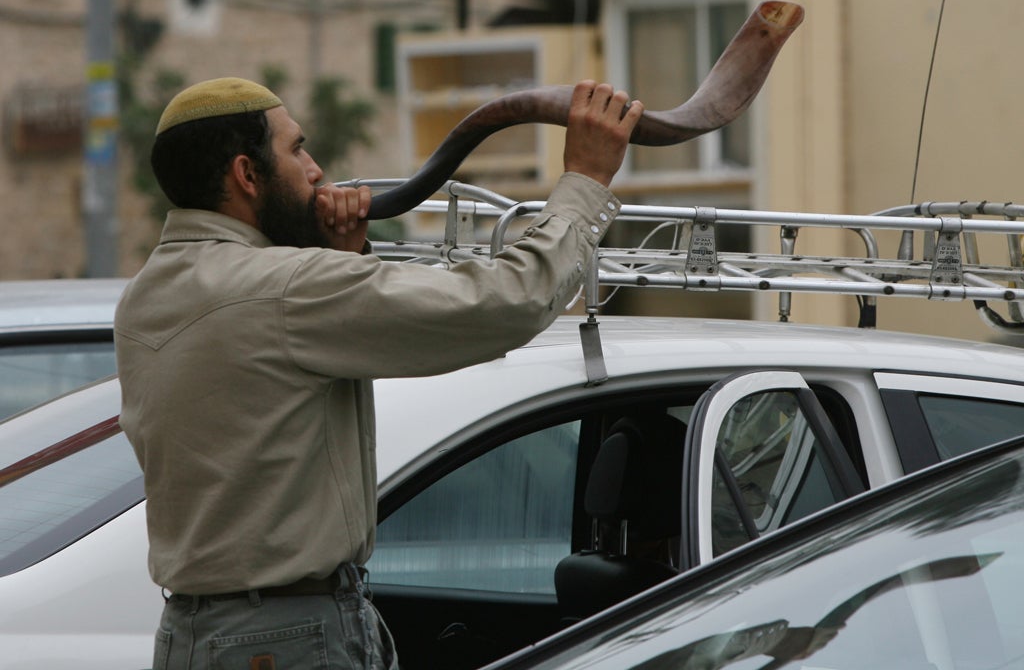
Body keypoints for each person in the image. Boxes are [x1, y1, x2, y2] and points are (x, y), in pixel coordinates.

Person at [116, 75, 643, 670]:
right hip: (288, 640)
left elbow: (270, 404)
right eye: (296, 150)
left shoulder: (146, 295)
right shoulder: (287, 288)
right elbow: (507, 304)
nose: (316, 170)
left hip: (196, 633)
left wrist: (342, 262)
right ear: (246, 174)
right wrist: (585, 182)